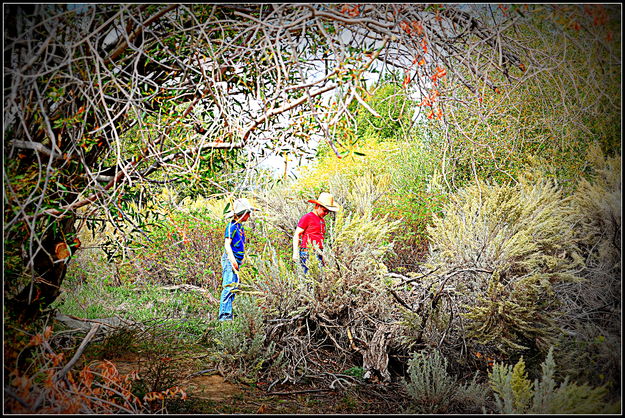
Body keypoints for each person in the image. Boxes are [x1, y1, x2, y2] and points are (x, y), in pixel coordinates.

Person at [219, 197, 257, 321]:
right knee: (228, 286)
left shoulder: (239, 227)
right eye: (248, 213)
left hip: (237, 260)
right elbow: (227, 245)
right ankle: (225, 317)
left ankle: (229, 314)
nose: (249, 215)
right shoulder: (231, 226)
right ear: (242, 214)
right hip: (231, 260)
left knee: (234, 287)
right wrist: (233, 261)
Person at [292, 192, 340, 274]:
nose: (326, 213)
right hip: (307, 253)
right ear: (317, 206)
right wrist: (295, 253)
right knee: (308, 279)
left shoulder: (322, 220)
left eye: (328, 212)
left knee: (319, 279)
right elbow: (297, 234)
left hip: (319, 252)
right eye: (324, 210)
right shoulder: (307, 217)